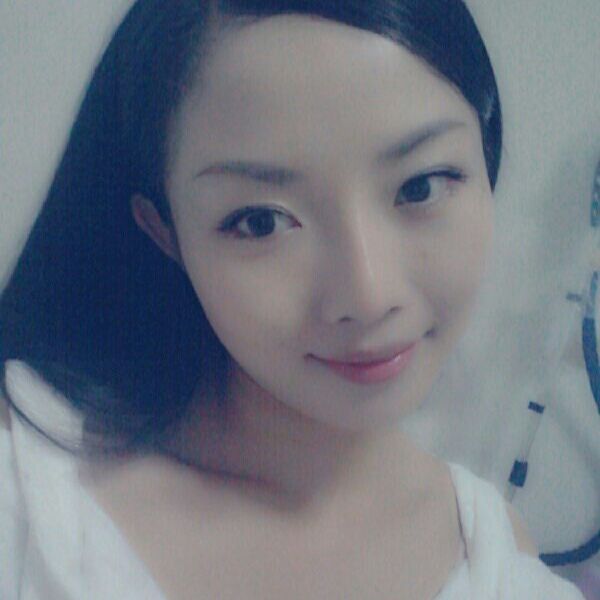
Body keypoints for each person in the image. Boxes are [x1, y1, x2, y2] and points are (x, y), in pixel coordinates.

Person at [0, 0, 586, 598]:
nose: (368, 296)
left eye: (420, 186)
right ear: (165, 233)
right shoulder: (25, 487)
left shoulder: (497, 562)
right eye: (260, 222)